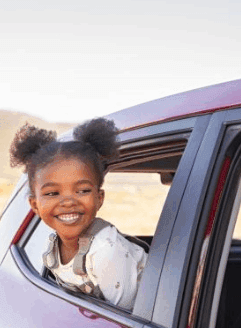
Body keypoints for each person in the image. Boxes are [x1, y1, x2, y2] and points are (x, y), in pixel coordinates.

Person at [10, 118, 147, 310]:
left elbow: (126, 323)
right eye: (52, 193)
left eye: (82, 190)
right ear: (34, 205)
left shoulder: (105, 251)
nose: (68, 202)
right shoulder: (52, 248)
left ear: (99, 198)